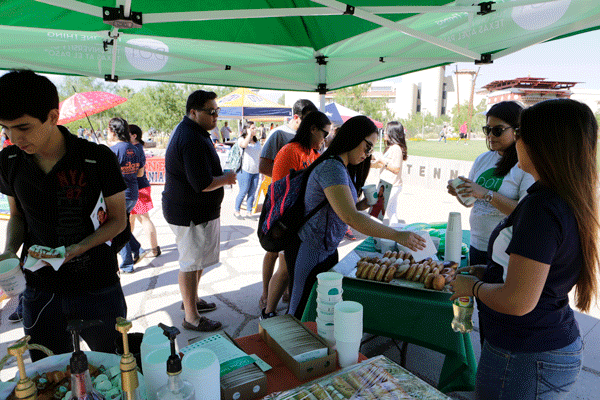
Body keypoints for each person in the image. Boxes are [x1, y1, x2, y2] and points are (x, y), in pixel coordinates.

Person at [450, 98, 598, 400]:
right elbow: (535, 274)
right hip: (539, 346)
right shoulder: (560, 198)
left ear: (542, 143)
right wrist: (490, 272)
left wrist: (475, 287)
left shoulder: (542, 208)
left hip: (525, 355)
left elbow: (519, 301)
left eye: (521, 135)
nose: (516, 142)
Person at [0, 70, 128, 361]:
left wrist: (76, 249)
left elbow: (119, 221)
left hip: (97, 284)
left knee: (112, 363)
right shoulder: (9, 160)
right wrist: (9, 250)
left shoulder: (96, 158)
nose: (14, 138)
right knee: (47, 370)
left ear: (53, 116)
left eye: (23, 127)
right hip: (39, 288)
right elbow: (18, 215)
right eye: (6, 129)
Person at [286, 116, 426, 318]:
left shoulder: (342, 167)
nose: (367, 154)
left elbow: (342, 209)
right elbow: (350, 217)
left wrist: (364, 204)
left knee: (319, 312)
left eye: (371, 150)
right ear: (353, 137)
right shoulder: (332, 168)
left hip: (327, 249)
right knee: (300, 312)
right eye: (367, 147)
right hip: (311, 249)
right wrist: (397, 235)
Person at [163, 90, 237, 332]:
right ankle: (191, 317)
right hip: (189, 214)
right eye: (211, 111)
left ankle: (192, 301)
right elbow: (202, 183)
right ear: (193, 112)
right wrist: (226, 178)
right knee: (190, 263)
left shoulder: (195, 132)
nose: (216, 116)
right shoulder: (190, 138)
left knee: (197, 261)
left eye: (217, 111)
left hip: (199, 212)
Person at [447, 101, 535, 266]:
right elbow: (471, 203)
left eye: (498, 130)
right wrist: (460, 191)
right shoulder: (483, 159)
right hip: (476, 243)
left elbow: (524, 212)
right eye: (488, 130)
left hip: (505, 249)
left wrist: (485, 193)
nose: (490, 136)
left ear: (517, 130)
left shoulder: (526, 165)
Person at [261, 110, 331, 319]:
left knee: (289, 269)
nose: (325, 140)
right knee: (283, 269)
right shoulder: (290, 151)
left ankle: (277, 308)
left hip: (303, 222)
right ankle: (268, 313)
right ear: (312, 129)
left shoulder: (314, 153)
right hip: (288, 220)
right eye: (324, 134)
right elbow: (282, 191)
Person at [258, 99, 316, 311]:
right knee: (273, 250)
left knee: (288, 254)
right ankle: (266, 292)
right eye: (308, 120)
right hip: (279, 204)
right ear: (296, 117)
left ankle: (285, 290)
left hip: (299, 208)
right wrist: (286, 183)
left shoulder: (312, 141)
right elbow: (263, 165)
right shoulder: (280, 136)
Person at [107, 117, 144, 274]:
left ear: (113, 132)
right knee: (124, 225)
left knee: (118, 229)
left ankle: (127, 264)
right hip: (133, 193)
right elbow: (140, 172)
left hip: (119, 195)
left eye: (107, 131)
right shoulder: (135, 148)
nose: (107, 134)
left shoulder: (114, 150)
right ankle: (138, 249)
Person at [129, 124, 161, 257]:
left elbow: (139, 173)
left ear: (134, 135)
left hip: (139, 187)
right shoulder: (136, 148)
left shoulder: (135, 149)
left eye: (127, 133)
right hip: (138, 187)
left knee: (144, 218)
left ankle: (154, 249)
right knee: (130, 219)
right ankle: (128, 247)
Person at [370, 121, 407, 225]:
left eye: (386, 132)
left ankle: (376, 236)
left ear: (392, 133)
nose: (384, 134)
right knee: (392, 213)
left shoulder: (395, 148)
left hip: (390, 185)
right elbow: (383, 163)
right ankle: (395, 231)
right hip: (389, 185)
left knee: (376, 213)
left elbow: (396, 169)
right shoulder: (391, 148)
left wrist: (383, 162)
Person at [234, 121, 262, 219]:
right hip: (245, 170)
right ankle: (237, 211)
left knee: (252, 192)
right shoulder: (242, 139)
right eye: (252, 128)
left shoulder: (257, 142)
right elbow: (243, 145)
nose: (255, 130)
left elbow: (260, 155)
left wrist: (261, 170)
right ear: (247, 129)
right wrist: (248, 135)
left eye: (255, 128)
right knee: (243, 190)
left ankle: (249, 212)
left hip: (255, 171)